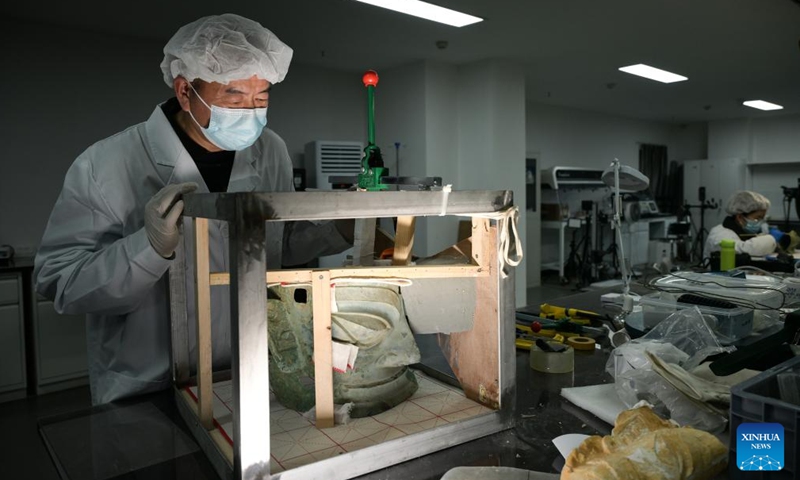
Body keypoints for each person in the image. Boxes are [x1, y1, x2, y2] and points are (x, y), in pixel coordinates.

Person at [34, 14, 353, 405]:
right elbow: (59, 282)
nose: (250, 112)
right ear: (185, 92)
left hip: (250, 374)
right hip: (148, 387)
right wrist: (147, 250)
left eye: (262, 98)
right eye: (234, 96)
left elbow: (274, 250)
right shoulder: (106, 164)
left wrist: (340, 227)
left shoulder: (271, 151)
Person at [704, 190, 790, 258]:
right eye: (757, 218)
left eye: (762, 219)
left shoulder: (743, 230)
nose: (760, 222)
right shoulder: (720, 234)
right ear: (740, 217)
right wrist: (772, 239)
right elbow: (745, 249)